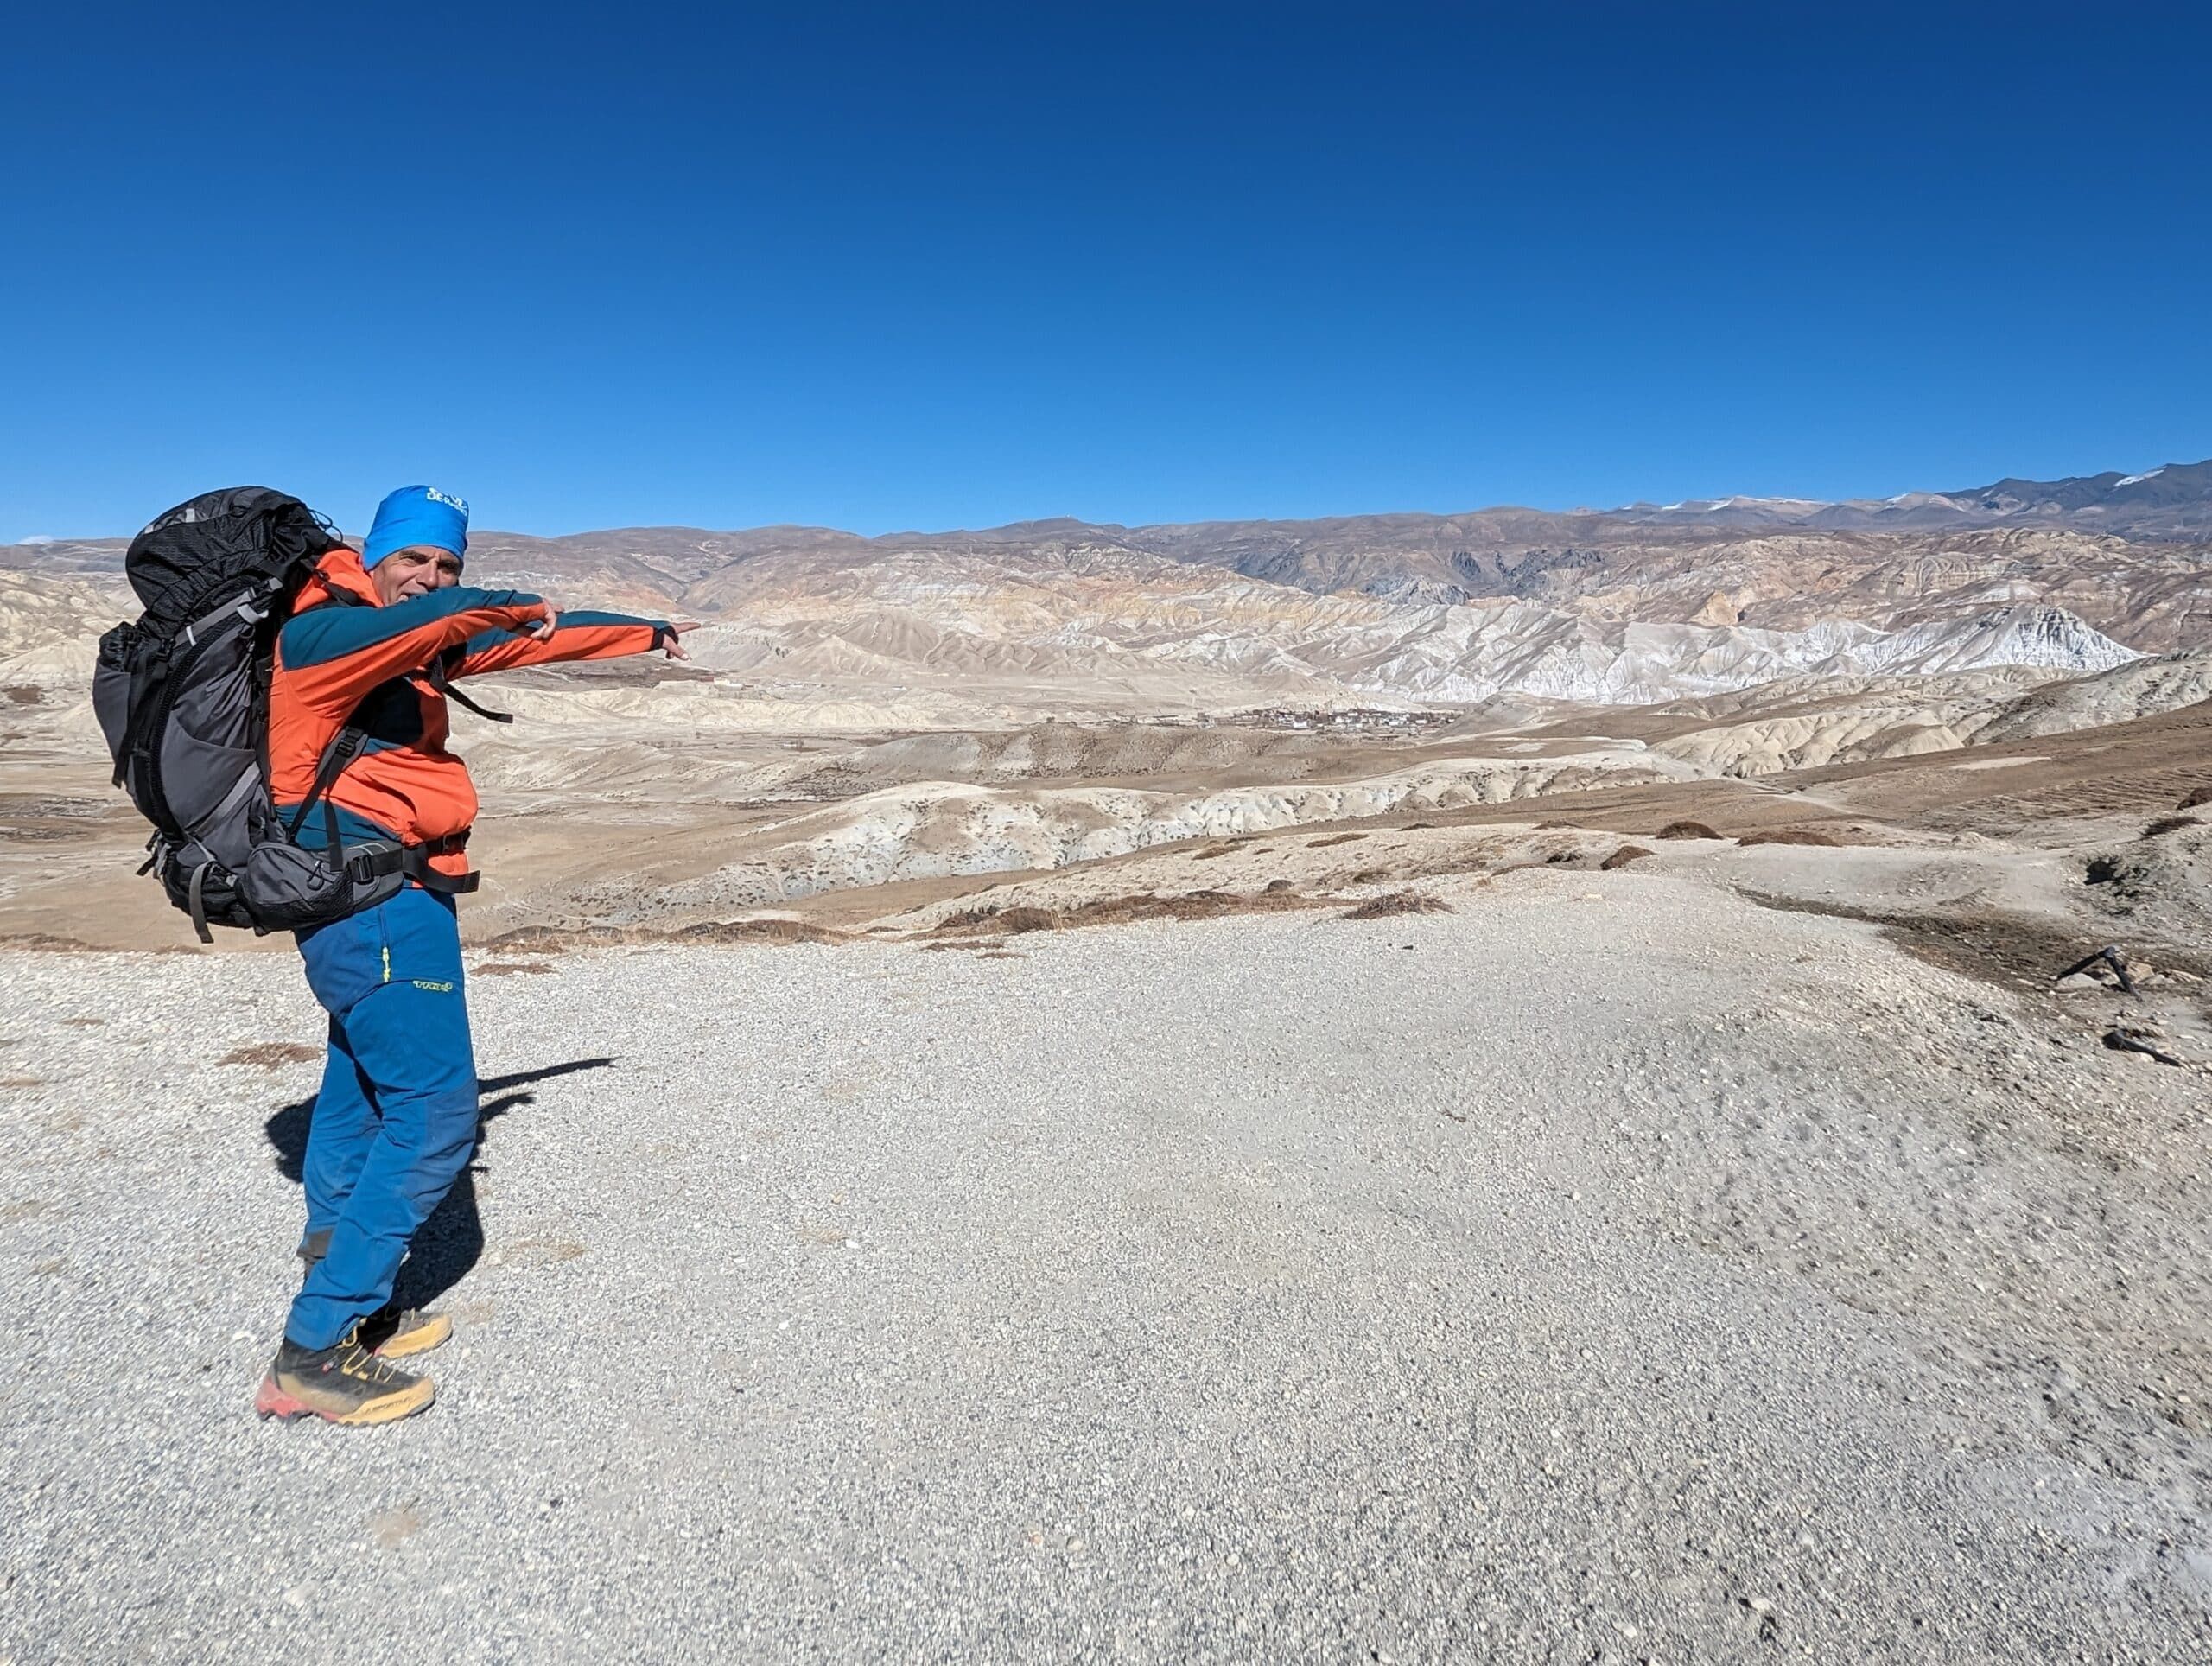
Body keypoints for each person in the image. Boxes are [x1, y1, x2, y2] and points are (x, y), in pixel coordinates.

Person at [252, 485, 697, 1426]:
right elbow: (471, 619)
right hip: (371, 901)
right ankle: (314, 1348)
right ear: (371, 555)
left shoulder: (399, 642)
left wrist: (640, 630)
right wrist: (508, 598)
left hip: (387, 892)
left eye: (446, 562)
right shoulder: (324, 636)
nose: (432, 577)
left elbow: (526, 641)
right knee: (435, 1113)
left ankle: (356, 1296)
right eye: (414, 557)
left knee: (359, 1087)